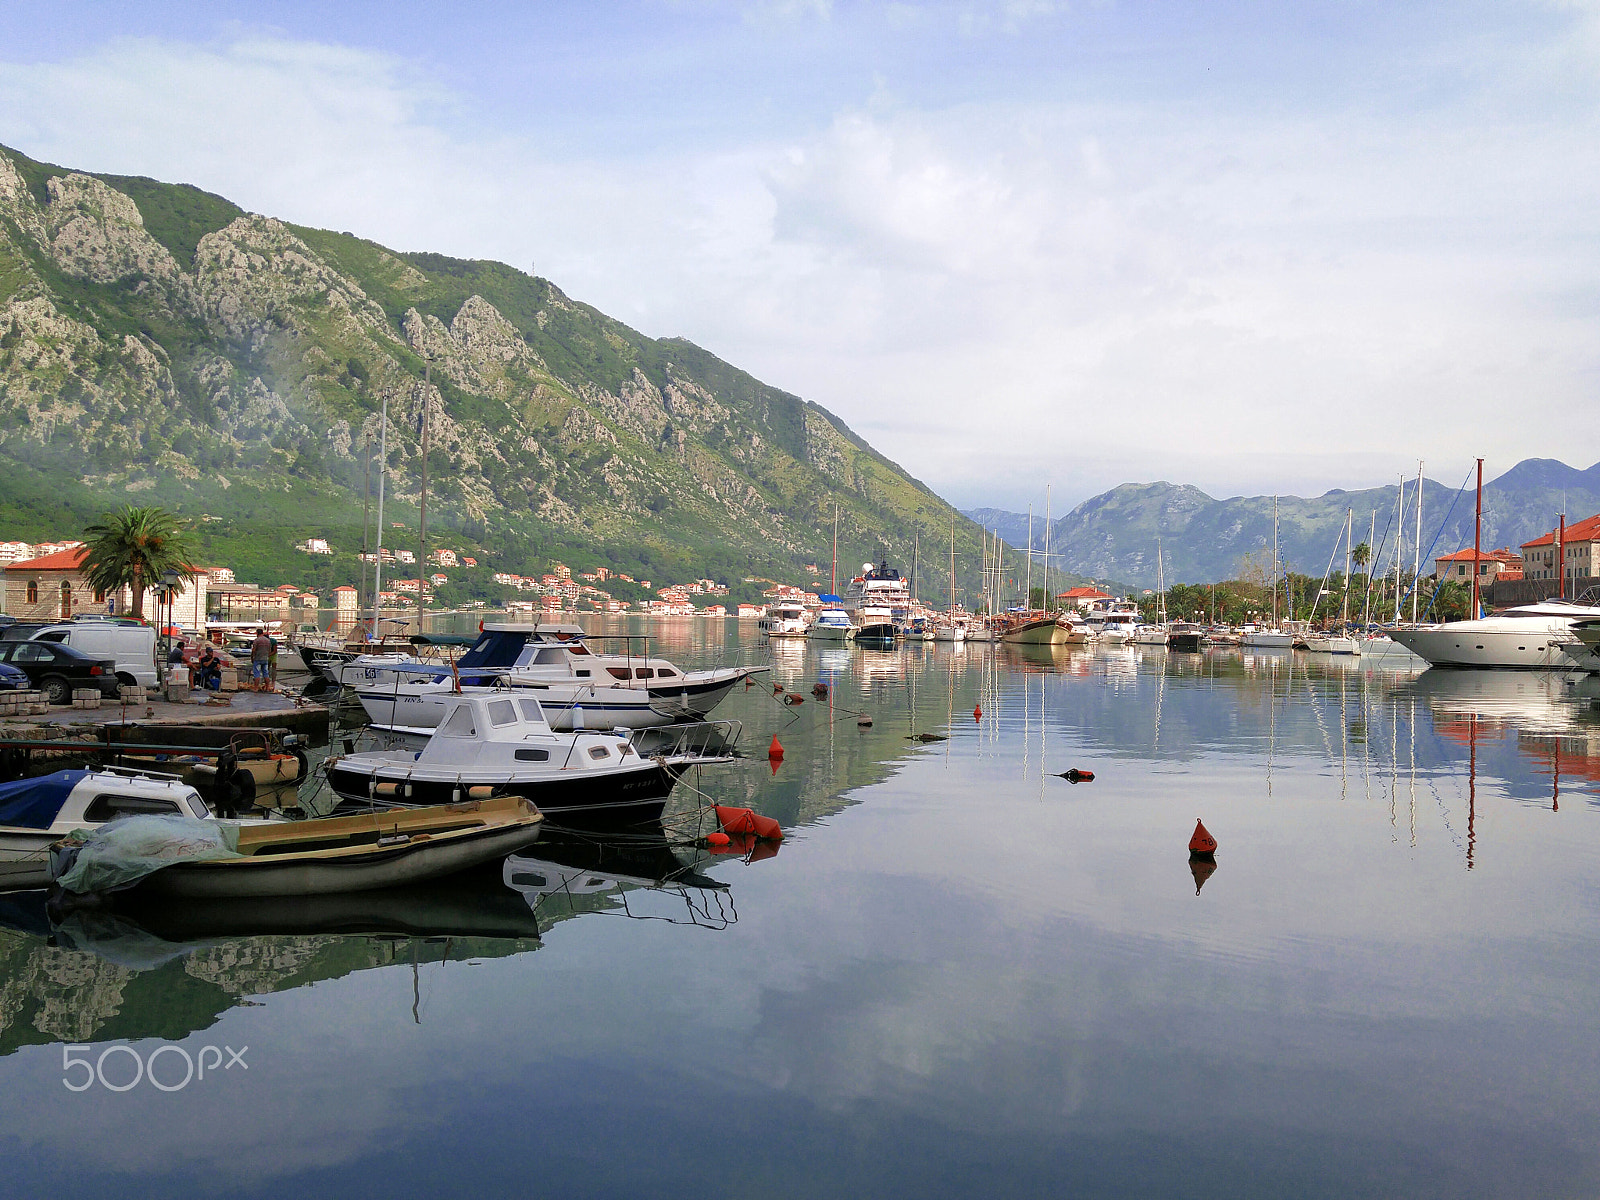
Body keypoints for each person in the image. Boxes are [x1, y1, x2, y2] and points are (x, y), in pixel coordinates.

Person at [250, 628, 273, 692]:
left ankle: (256, 688)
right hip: (265, 659)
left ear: (257, 633)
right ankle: (267, 687)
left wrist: (252, 657)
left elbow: (254, 650)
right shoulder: (268, 640)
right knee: (266, 673)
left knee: (257, 673)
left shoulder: (257, 640)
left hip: (258, 659)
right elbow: (269, 650)